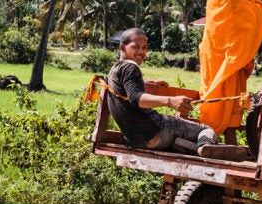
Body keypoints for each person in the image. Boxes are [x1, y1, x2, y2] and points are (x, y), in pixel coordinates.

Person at [105, 28, 248, 162]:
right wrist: (170, 100)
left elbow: (126, 89)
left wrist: (149, 82)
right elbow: (136, 98)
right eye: (136, 47)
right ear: (123, 47)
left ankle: (193, 147)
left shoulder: (115, 69)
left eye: (145, 48)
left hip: (136, 140)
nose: (141, 52)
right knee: (206, 130)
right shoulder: (131, 68)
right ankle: (203, 147)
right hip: (155, 131)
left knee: (187, 132)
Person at [198, 0, 262, 136]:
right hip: (221, 49)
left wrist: (259, 8)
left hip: (229, 48)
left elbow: (245, 7)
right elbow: (238, 11)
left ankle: (229, 140)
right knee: (219, 93)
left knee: (231, 95)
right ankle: (206, 136)